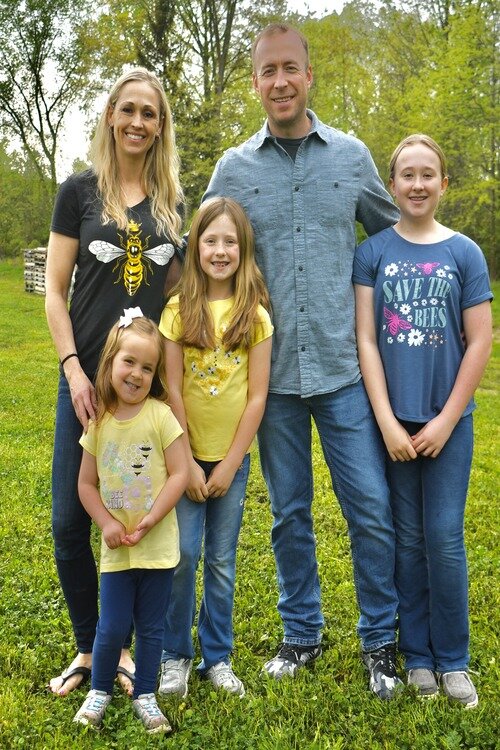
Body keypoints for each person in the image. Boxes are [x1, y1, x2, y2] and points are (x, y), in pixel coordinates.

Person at [204, 23, 403, 699]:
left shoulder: (351, 157)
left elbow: (395, 238)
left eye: (292, 68)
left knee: (370, 508)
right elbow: (206, 256)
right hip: (271, 380)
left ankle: (381, 642)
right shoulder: (233, 169)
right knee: (289, 512)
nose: (281, 81)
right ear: (256, 83)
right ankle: (303, 633)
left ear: (309, 76)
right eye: (268, 72)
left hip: (346, 370)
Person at [45, 67, 184, 696]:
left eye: (149, 113)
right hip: (86, 381)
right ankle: (89, 644)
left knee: (135, 515)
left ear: (160, 126)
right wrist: (74, 368)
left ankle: (120, 649)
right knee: (71, 520)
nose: (136, 121)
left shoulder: (172, 202)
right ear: (109, 115)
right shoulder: (78, 191)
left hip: (143, 389)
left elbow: (180, 293)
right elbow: (53, 290)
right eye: (127, 109)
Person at [353, 134, 492, 708]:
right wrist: (386, 420)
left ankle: (452, 658)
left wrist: (445, 421)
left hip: (447, 426)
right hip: (395, 423)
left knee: (445, 538)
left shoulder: (464, 253)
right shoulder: (374, 251)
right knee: (406, 542)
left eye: (427, 174)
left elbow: (481, 340)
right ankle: (416, 658)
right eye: (406, 175)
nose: (416, 184)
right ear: (392, 186)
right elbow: (365, 337)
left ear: (443, 184)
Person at [157, 198, 273, 698]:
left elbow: (258, 396)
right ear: (195, 247)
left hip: (230, 462)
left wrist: (228, 464)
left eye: (230, 241)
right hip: (182, 459)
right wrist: (185, 461)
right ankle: (174, 655)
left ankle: (217, 657)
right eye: (210, 241)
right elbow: (173, 389)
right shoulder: (178, 311)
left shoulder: (256, 315)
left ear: (243, 249)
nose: (220, 250)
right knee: (183, 555)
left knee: (222, 561)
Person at [73, 312, 188, 732]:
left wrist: (154, 517)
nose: (137, 373)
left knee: (151, 628)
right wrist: (105, 522)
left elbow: (179, 473)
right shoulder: (99, 423)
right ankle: (99, 690)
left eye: (147, 367)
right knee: (114, 625)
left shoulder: (160, 416)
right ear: (110, 362)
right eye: (129, 362)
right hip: (118, 549)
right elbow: (86, 484)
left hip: (157, 547)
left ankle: (145, 695)